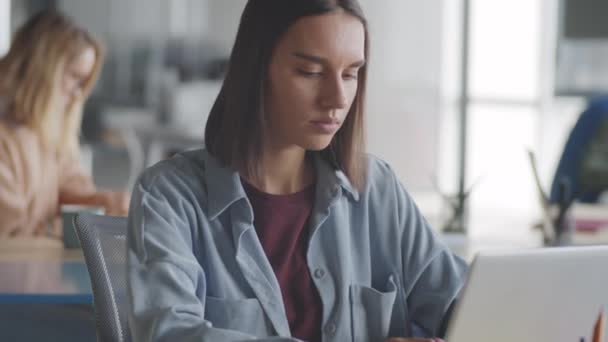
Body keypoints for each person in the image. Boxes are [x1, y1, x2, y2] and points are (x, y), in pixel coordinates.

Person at [127, 1, 467, 341]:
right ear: (256, 70)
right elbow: (170, 334)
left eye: (350, 74)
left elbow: (465, 306)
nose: (336, 98)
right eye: (311, 72)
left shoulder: (377, 189)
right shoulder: (168, 197)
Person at [0, 10, 129, 238]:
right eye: (74, 77)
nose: (78, 93)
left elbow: (72, 188)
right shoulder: (6, 137)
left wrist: (104, 201)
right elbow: (10, 231)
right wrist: (60, 228)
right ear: (41, 70)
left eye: (83, 82)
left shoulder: (46, 133)